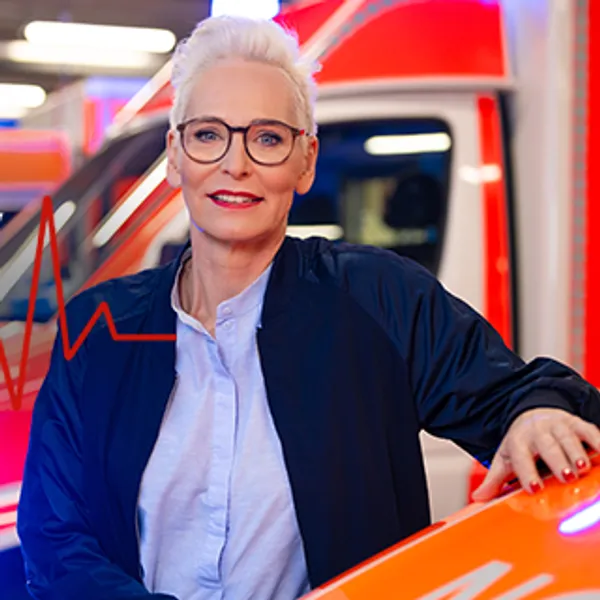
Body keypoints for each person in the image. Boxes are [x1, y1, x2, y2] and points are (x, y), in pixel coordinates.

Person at [17, 14, 600, 600]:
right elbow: (54, 537)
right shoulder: (96, 331)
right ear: (175, 154)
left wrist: (536, 413)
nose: (236, 164)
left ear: (307, 161)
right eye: (209, 135)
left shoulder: (378, 298)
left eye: (268, 138)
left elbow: (518, 394)